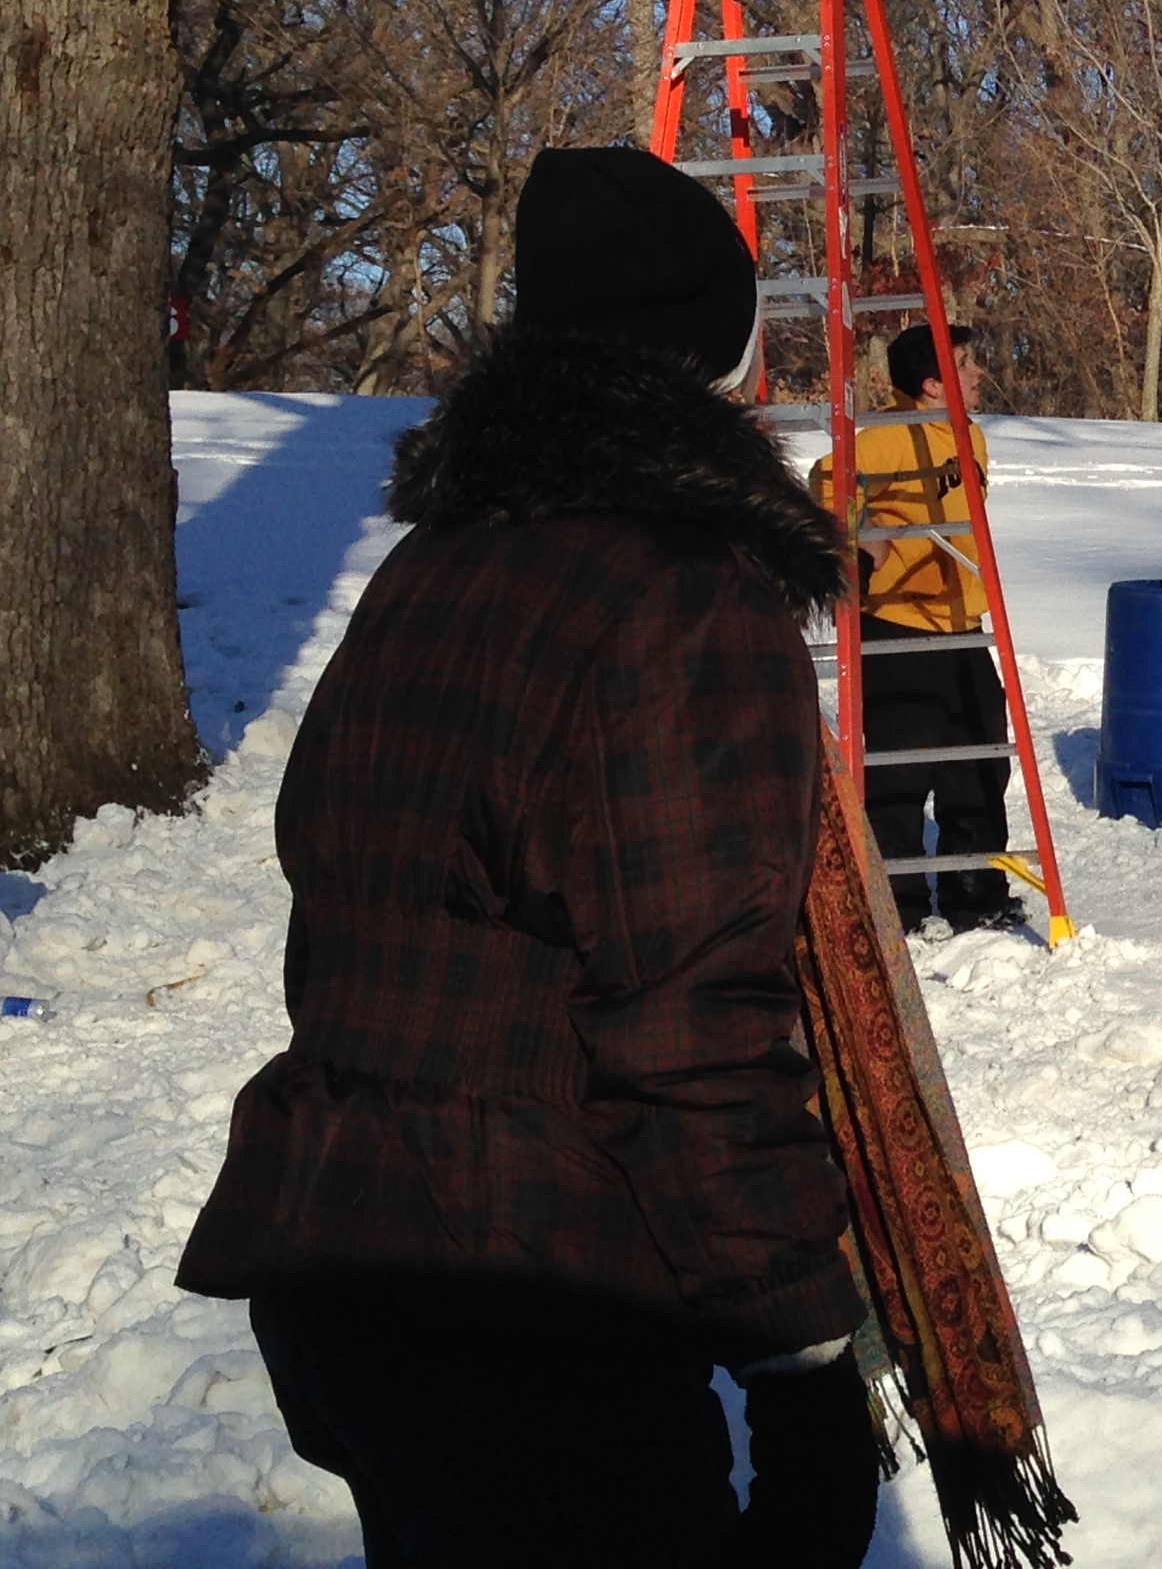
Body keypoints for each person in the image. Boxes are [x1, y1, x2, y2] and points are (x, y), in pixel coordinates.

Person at [178, 146, 879, 1569]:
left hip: (349, 1274)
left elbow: (340, 906)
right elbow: (690, 1017)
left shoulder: (435, 562)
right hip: (535, 1315)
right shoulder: (681, 595)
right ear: (718, 353)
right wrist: (805, 1349)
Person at [809, 323, 1018, 933]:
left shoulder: (968, 435)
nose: (977, 371)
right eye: (964, 363)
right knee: (902, 771)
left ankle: (975, 894)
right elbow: (825, 482)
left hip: (963, 626)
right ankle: (894, 910)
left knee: (981, 763)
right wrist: (862, 540)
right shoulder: (888, 438)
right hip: (902, 630)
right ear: (931, 384)